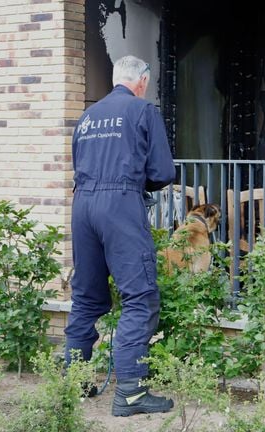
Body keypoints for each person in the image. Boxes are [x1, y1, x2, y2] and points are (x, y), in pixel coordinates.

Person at [64, 54, 176, 417]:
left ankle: (73, 384)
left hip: (82, 206)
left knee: (86, 298)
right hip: (119, 206)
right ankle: (131, 394)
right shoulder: (143, 111)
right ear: (142, 81)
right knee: (140, 298)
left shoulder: (87, 116)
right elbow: (161, 172)